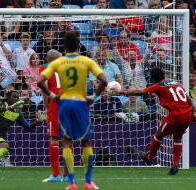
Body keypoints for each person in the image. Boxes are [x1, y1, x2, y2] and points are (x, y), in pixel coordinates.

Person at [37, 31, 107, 190]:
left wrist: (52, 95)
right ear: (78, 46)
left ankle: (72, 183)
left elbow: (40, 80)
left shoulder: (57, 62)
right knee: (86, 141)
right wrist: (94, 96)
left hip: (64, 103)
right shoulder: (86, 60)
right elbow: (103, 80)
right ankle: (88, 182)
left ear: (64, 47)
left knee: (66, 142)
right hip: (81, 103)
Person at [118, 67, 193, 175]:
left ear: (152, 79)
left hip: (176, 115)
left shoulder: (158, 86)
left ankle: (149, 158)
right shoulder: (176, 83)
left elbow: (140, 92)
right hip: (188, 113)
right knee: (177, 137)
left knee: (158, 134)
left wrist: (123, 92)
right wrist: (193, 113)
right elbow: (189, 99)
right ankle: (175, 165)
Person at [39, 49, 68, 182]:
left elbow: (44, 87)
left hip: (55, 105)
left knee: (54, 139)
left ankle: (55, 175)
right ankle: (68, 176)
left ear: (47, 59)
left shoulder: (45, 69)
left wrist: (46, 105)